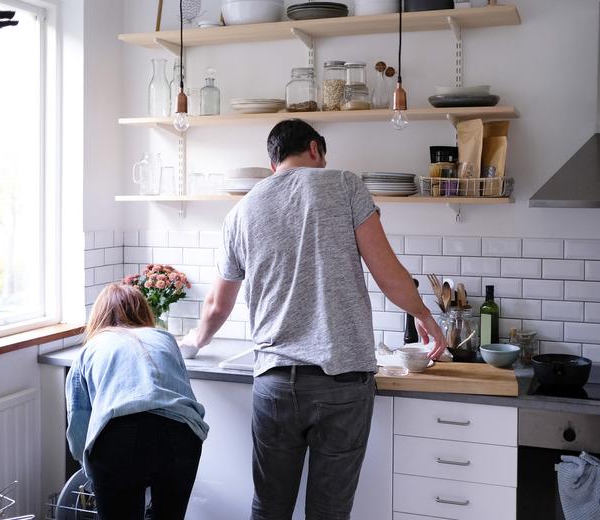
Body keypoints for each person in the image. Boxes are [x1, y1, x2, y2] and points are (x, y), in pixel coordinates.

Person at [181, 118, 447, 519]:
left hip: (274, 383)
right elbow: (387, 272)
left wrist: (192, 343)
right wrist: (423, 313)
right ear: (314, 149)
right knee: (329, 512)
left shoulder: (241, 211)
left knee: (269, 507)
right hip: (343, 382)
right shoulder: (344, 185)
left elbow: (217, 306)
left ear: (273, 163)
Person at [66, 283, 209, 520]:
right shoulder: (165, 338)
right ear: (143, 311)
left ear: (98, 316)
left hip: (118, 435)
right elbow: (183, 390)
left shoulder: (89, 349)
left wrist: (91, 468)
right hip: (180, 432)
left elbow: (79, 420)